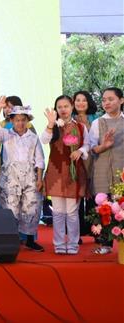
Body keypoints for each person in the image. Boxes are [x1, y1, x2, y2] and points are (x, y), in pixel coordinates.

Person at [41, 96, 89, 255]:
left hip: (73, 173)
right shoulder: (53, 126)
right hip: (55, 173)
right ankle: (59, 243)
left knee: (72, 212)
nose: (63, 109)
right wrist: (50, 124)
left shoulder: (81, 127)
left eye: (66, 106)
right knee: (58, 212)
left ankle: (73, 243)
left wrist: (80, 151)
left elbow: (87, 144)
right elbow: (44, 139)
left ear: (71, 107)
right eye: (59, 106)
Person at [0, 105, 45, 251]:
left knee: (31, 206)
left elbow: (40, 159)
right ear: (11, 120)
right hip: (10, 175)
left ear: (27, 121)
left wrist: (40, 179)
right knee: (11, 206)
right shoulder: (5, 134)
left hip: (30, 175)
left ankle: (29, 239)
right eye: (17, 120)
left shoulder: (34, 138)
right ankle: (11, 239)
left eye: (23, 120)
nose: (20, 123)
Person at [88, 87, 124, 254]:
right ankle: (105, 244)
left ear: (121, 100)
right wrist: (104, 146)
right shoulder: (97, 123)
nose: (106, 103)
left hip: (121, 170)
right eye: (104, 100)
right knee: (104, 208)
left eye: (111, 99)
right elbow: (92, 149)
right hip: (101, 170)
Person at [72, 90, 99, 238]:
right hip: (75, 162)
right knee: (77, 197)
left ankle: (95, 231)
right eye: (77, 100)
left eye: (84, 100)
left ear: (88, 103)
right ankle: (78, 231)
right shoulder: (69, 118)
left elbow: (96, 140)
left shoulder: (96, 118)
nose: (80, 103)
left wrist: (86, 125)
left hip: (93, 161)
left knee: (93, 197)